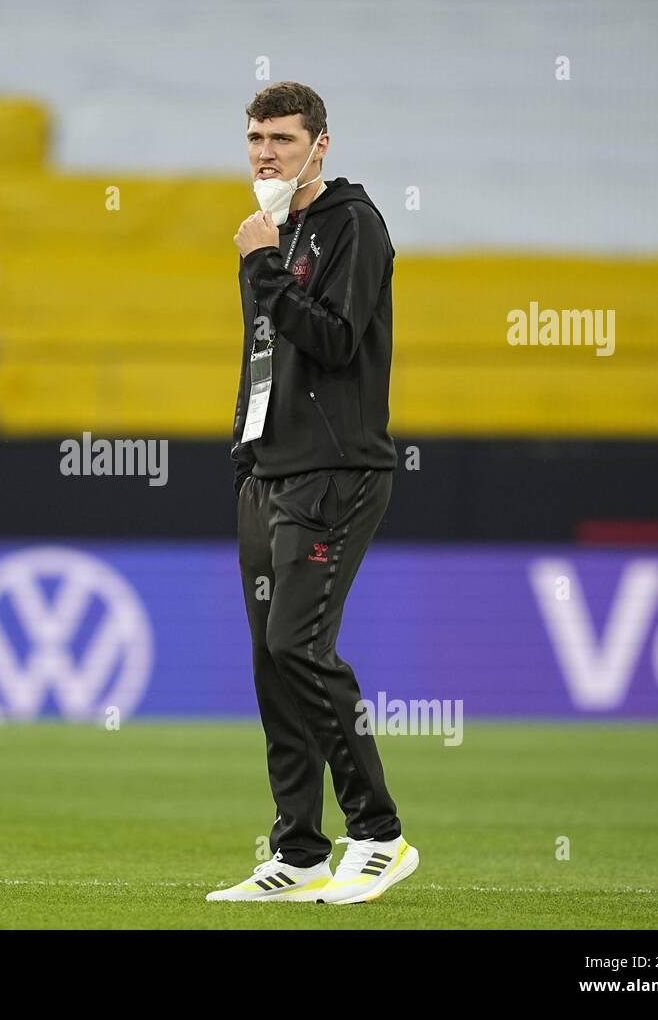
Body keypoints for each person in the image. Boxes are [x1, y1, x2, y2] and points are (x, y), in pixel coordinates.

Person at [207, 81, 419, 904]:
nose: (266, 152)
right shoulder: (273, 232)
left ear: (321, 145)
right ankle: (297, 851)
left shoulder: (352, 225)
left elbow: (333, 341)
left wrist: (262, 263)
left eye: (284, 139)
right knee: (272, 661)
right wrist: (244, 451)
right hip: (268, 470)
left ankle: (380, 834)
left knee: (299, 644)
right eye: (256, 138)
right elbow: (263, 356)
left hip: (337, 471)